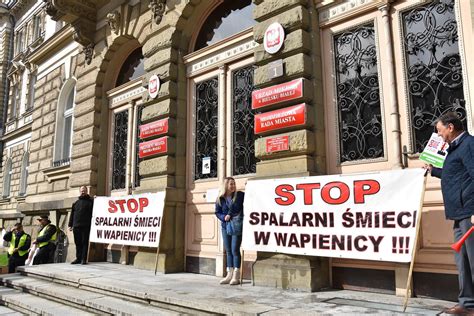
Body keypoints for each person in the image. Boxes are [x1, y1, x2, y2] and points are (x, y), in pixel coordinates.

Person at [425, 112, 474, 315]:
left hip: (469, 212)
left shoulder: (469, 144)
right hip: (458, 212)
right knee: (462, 260)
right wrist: (433, 170)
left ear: (450, 127)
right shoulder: (454, 149)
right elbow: (453, 174)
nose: (438, 134)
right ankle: (468, 304)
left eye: (439, 130)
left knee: (473, 259)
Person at [215, 177, 244, 285]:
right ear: (225, 185)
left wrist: (229, 214)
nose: (233, 186)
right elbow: (217, 212)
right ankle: (229, 274)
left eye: (234, 184)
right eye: (231, 184)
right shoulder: (220, 198)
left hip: (236, 225)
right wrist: (223, 217)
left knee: (235, 249)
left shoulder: (239, 195)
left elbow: (236, 207)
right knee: (228, 250)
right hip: (225, 226)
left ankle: (236, 275)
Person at [69, 186, 94, 265]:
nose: (83, 192)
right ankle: (78, 258)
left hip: (86, 225)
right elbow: (72, 214)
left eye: (84, 190)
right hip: (76, 226)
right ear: (80, 191)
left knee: (84, 243)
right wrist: (70, 225)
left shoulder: (91, 202)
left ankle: (83, 259)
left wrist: (96, 199)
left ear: (87, 191)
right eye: (82, 191)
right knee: (78, 243)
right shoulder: (76, 203)